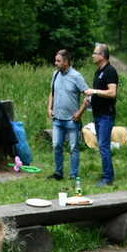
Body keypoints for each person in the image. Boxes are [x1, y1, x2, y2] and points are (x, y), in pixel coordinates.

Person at [47, 49, 88, 182]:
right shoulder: (55, 75)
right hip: (57, 119)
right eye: (55, 60)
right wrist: (49, 108)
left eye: (58, 61)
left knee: (73, 148)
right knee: (56, 146)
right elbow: (52, 92)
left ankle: (73, 175)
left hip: (72, 120)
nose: (56, 63)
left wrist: (80, 113)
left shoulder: (76, 76)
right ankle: (58, 173)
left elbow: (88, 95)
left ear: (66, 62)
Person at [84, 43, 118, 186]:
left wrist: (95, 92)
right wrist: (90, 99)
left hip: (106, 115)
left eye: (95, 53)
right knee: (102, 145)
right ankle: (106, 173)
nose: (92, 55)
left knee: (104, 145)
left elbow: (112, 92)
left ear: (102, 56)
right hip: (97, 114)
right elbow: (98, 92)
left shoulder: (110, 71)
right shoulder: (98, 72)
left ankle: (108, 178)